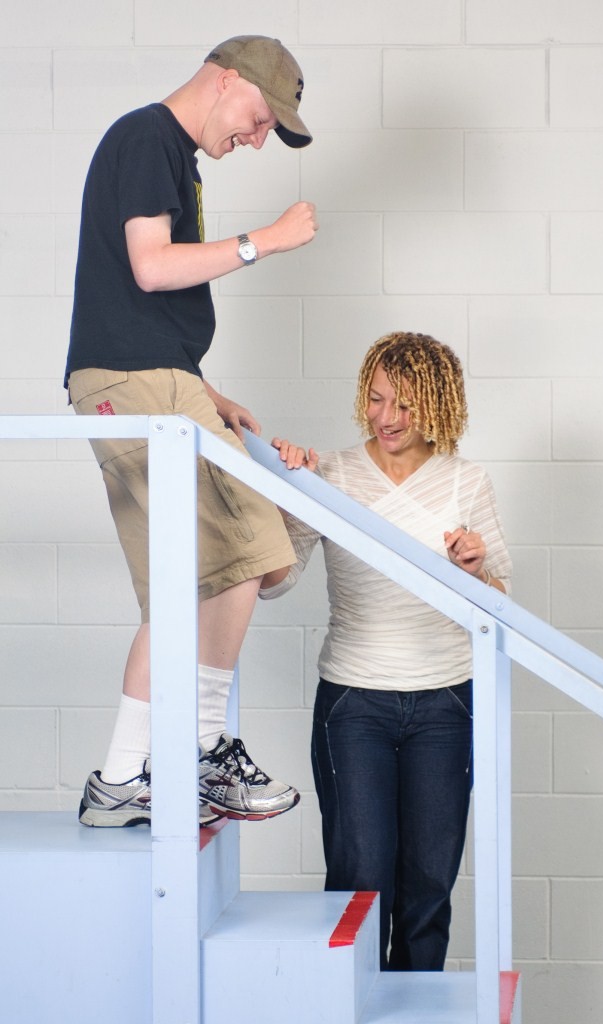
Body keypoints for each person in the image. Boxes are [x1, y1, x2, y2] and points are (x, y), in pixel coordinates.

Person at [64, 34, 318, 828]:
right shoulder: (148, 137)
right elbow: (149, 265)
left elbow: (132, 303)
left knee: (191, 578)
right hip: (136, 384)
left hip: (151, 378)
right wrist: (265, 241)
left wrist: (206, 390)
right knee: (244, 547)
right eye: (260, 116)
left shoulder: (173, 156)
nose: (257, 137)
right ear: (226, 77)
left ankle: (118, 780)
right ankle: (204, 751)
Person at [261, 331, 512, 970]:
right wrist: (288, 492)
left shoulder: (466, 480)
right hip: (354, 704)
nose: (386, 418)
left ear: (437, 404)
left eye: (404, 405)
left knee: (429, 888)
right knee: (359, 883)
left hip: (446, 704)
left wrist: (475, 569)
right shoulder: (336, 473)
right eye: (375, 401)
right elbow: (273, 584)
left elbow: (498, 602)